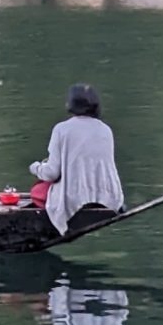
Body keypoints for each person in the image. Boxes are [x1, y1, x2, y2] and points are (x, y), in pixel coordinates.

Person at [30, 85, 125, 236]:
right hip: (108, 197)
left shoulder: (61, 129)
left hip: (74, 199)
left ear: (71, 104)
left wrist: (36, 168)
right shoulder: (106, 130)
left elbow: (52, 173)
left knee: (37, 192)